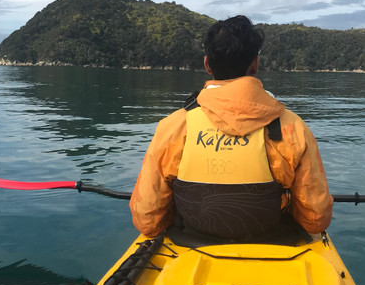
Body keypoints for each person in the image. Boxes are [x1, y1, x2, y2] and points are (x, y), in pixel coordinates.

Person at [130, 15, 333, 240]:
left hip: (189, 244)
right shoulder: (293, 128)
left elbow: (147, 220)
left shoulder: (173, 127)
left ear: (207, 64)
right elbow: (316, 220)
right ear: (255, 64)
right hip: (274, 245)